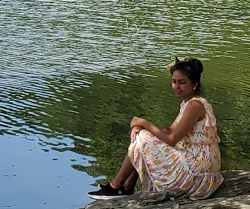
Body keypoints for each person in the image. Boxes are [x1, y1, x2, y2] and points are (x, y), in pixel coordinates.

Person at [87, 57, 222, 200]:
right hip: (197, 164)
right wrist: (140, 128)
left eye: (182, 83)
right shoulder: (189, 103)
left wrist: (144, 123)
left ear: (194, 84)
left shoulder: (195, 106)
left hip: (197, 173)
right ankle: (125, 187)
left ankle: (116, 187)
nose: (177, 87)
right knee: (143, 138)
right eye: (174, 82)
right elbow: (170, 130)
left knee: (143, 139)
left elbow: (171, 139)